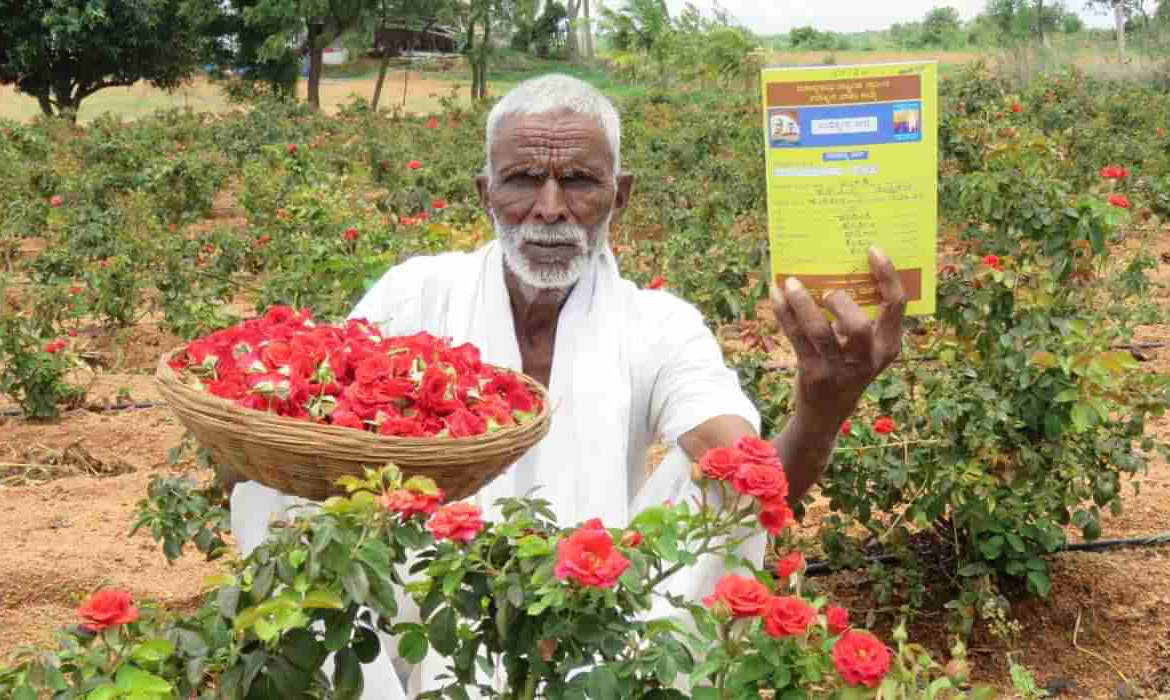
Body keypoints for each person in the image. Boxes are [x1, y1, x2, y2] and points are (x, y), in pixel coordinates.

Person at [230, 73, 908, 697]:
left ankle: (630, 676)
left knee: (733, 477)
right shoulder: (417, 295)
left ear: (622, 195)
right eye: (523, 178)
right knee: (272, 494)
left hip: (598, 611)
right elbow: (311, 417)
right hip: (422, 606)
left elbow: (751, 468)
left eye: (579, 181)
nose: (550, 208)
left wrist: (824, 407)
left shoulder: (658, 324)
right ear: (484, 192)